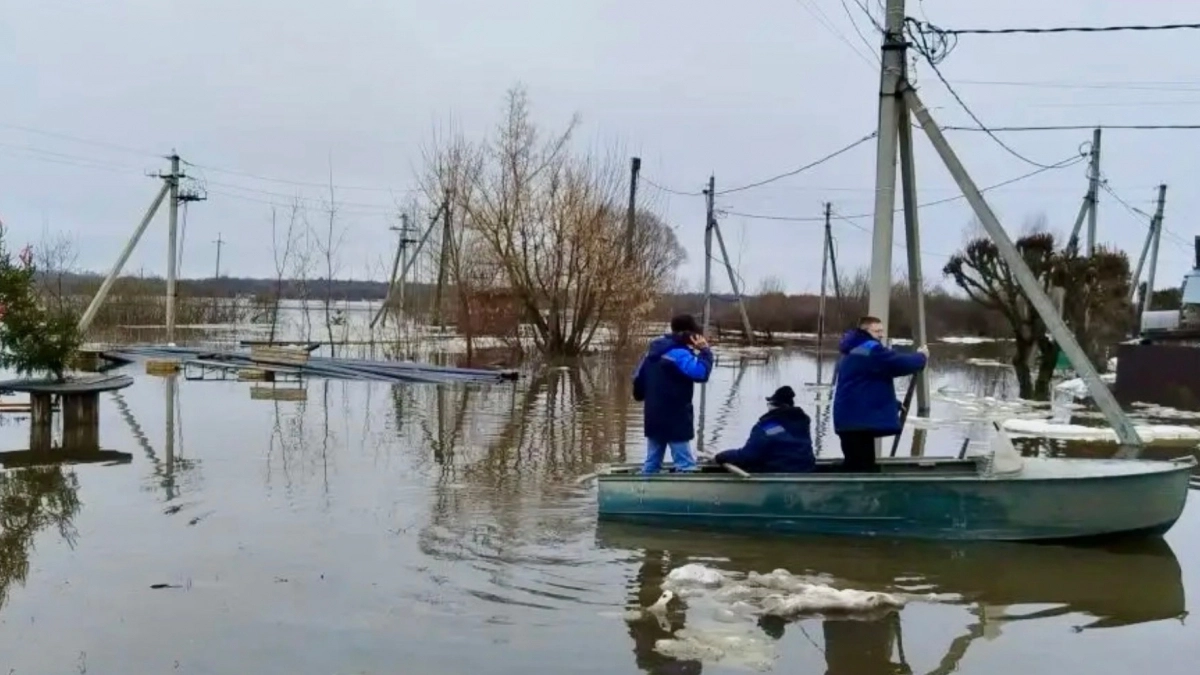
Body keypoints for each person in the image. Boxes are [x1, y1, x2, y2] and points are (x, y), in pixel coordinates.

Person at [833, 316, 928, 473]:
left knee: (859, 466)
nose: (881, 334)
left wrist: (893, 403)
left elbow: (864, 386)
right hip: (858, 422)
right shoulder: (869, 349)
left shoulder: (853, 350)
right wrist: (921, 357)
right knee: (861, 469)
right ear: (865, 331)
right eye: (877, 331)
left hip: (852, 419)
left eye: (882, 331)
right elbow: (898, 363)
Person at [632, 314, 714, 473]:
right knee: (685, 465)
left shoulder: (650, 353)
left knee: (651, 463)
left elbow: (638, 388)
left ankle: (643, 493)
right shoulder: (679, 354)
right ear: (691, 334)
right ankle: (687, 496)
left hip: (653, 417)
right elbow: (701, 373)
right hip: (676, 418)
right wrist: (705, 351)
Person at [712, 386, 815, 473]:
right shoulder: (802, 424)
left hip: (778, 472)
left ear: (773, 405)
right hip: (806, 470)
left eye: (768, 404)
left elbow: (747, 456)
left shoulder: (768, 427)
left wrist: (721, 456)